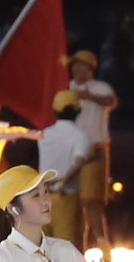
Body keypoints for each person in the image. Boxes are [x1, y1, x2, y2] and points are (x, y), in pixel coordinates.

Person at [67, 50, 118, 252]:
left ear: (90, 68)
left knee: (91, 199)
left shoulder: (101, 87)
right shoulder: (67, 87)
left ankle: (102, 242)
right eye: (74, 65)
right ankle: (79, 246)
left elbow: (111, 101)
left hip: (95, 147)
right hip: (70, 148)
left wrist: (89, 96)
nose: (76, 69)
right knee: (73, 200)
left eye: (80, 65)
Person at [36, 91, 92, 247]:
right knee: (66, 248)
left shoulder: (44, 134)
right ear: (78, 111)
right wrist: (62, 182)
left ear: (55, 111)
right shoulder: (80, 136)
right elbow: (79, 162)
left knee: (43, 247)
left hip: (42, 196)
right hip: (66, 197)